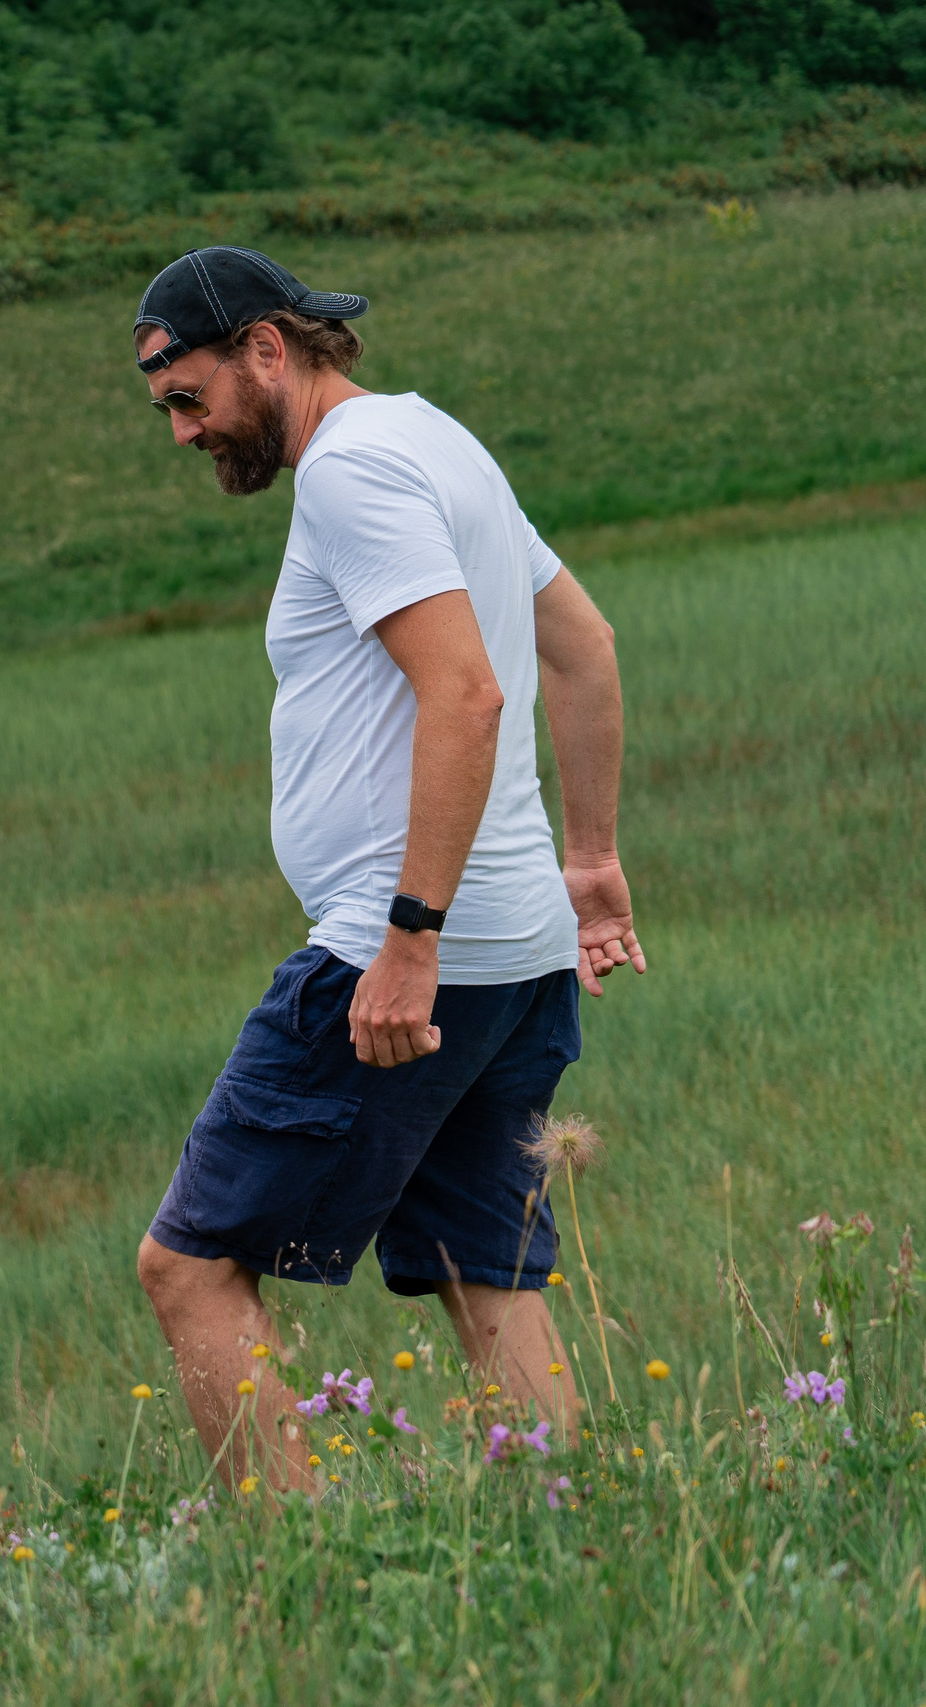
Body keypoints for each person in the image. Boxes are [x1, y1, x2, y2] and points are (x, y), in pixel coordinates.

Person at [125, 246, 645, 1493]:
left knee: (187, 1266)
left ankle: (303, 1573)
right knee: (487, 1272)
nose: (185, 432)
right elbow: (583, 646)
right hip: (514, 953)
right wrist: (589, 862)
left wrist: (405, 942)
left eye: (189, 398)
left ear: (267, 348)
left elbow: (464, 696)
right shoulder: (436, 442)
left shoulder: (351, 474)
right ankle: (580, 1529)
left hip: (404, 955)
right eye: (167, 412)